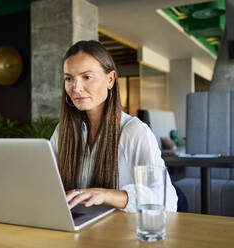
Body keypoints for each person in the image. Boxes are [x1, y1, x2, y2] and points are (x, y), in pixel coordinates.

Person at [50, 40, 177, 212]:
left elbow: (167, 200)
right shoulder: (63, 132)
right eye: (69, 79)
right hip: (77, 231)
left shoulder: (135, 132)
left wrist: (107, 195)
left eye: (86, 77)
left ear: (110, 79)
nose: (76, 87)